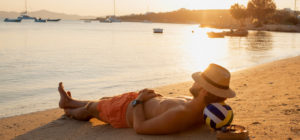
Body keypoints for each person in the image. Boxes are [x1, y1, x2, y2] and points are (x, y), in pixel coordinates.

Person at [58, 63, 236, 134]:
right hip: (136, 101)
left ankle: (69, 111)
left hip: (124, 111)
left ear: (204, 91)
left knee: (91, 108)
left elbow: (140, 128)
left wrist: (139, 101)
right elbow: (220, 115)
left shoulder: (182, 114)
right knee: (103, 99)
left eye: (198, 82)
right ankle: (70, 102)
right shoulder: (202, 108)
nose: (194, 82)